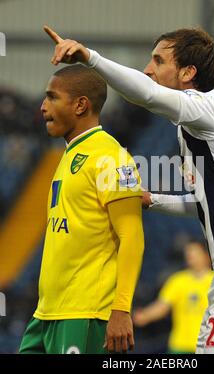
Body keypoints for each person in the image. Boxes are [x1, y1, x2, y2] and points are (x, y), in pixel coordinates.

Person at [44, 25, 214, 354]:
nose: (149, 69)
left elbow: (146, 95)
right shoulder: (206, 122)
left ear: (189, 72)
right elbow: (208, 204)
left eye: (158, 61)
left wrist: (91, 58)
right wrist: (154, 199)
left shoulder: (208, 107)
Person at [19, 64, 144, 354]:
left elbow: (132, 237)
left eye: (52, 97)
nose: (42, 107)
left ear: (80, 105)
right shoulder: (70, 153)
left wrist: (121, 310)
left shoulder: (111, 156)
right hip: (47, 313)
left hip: (85, 313)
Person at [133, 241, 214, 353]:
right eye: (189, 253)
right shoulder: (178, 280)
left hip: (208, 346)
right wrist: (144, 315)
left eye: (195, 253)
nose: (191, 256)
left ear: (206, 255)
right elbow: (162, 306)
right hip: (180, 345)